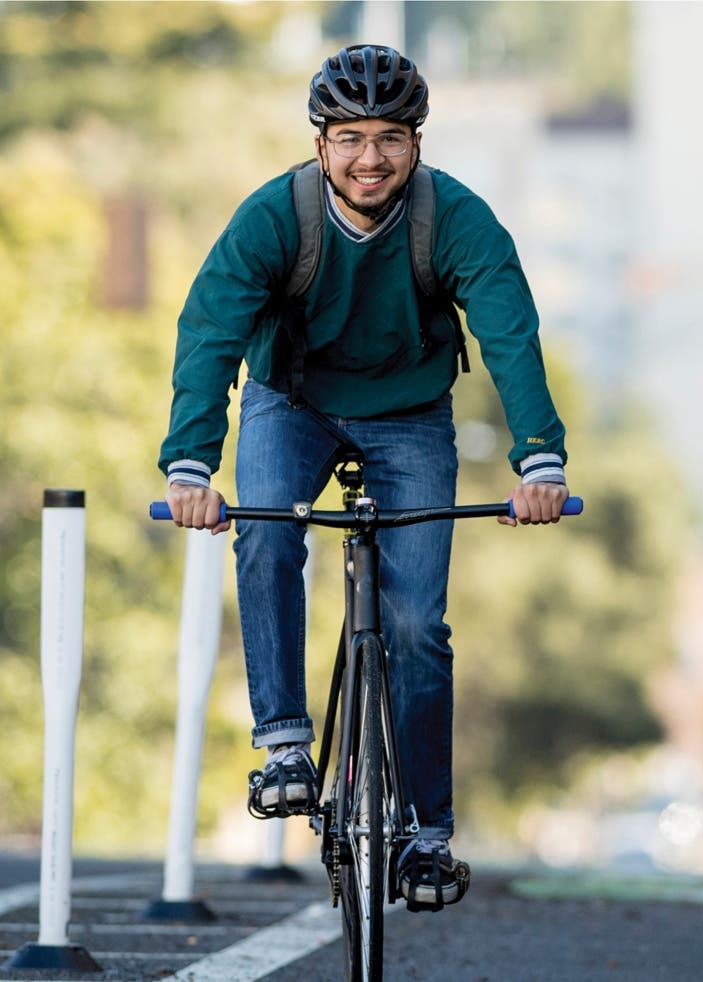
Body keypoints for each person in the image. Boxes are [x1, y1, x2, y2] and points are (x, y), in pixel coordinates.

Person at [158, 44, 569, 909]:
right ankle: (283, 745)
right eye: (349, 138)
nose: (369, 157)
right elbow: (210, 336)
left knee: (417, 622)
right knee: (268, 533)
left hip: (411, 414)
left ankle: (426, 833)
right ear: (320, 146)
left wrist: (540, 456)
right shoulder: (276, 217)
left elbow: (509, 334)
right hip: (291, 402)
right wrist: (190, 461)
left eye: (389, 137)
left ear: (417, 144)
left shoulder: (454, 218)